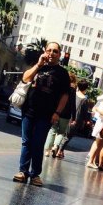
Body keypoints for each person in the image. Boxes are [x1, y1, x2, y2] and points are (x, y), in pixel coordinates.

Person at [12, 42, 70, 187]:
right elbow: (25, 78)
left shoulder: (63, 73)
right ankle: (22, 171)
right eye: (49, 50)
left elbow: (65, 95)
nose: (51, 53)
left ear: (59, 54)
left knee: (38, 143)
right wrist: (38, 65)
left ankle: (35, 174)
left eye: (55, 51)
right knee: (26, 142)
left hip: (47, 114)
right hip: (29, 110)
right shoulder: (38, 65)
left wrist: (57, 113)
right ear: (45, 51)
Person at [44, 71, 77, 159]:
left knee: (52, 130)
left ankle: (47, 151)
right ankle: (55, 146)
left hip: (57, 111)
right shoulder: (73, 90)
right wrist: (74, 117)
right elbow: (73, 104)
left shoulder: (61, 85)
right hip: (66, 114)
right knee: (61, 132)